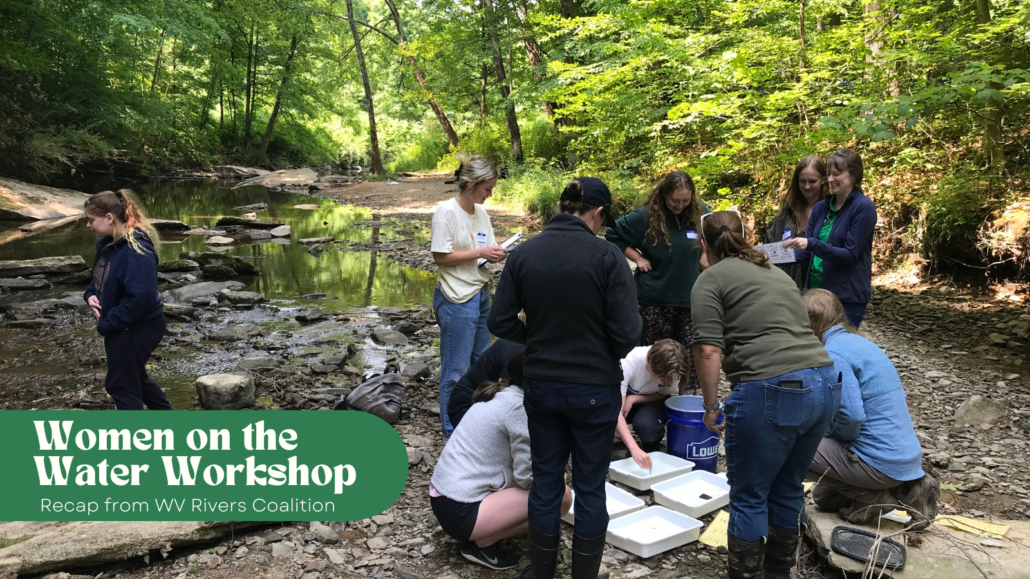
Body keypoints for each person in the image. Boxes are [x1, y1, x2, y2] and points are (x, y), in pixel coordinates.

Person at [489, 177, 641, 579]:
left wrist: (536, 341)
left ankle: (541, 573)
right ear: (598, 213)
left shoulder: (524, 254)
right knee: (590, 487)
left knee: (546, 484)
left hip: (542, 386)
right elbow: (628, 333)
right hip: (595, 387)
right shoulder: (607, 257)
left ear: (559, 205)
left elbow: (499, 319)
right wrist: (600, 350)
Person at [691, 211, 838, 579]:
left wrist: (711, 407)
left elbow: (708, 350)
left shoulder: (710, 279)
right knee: (788, 487)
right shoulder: (776, 273)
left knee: (749, 495)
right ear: (746, 235)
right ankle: (777, 573)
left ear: (704, 243)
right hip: (825, 382)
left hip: (773, 388)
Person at [802, 289, 939, 529]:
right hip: (903, 459)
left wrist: (829, 433)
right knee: (824, 498)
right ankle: (908, 490)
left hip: (879, 461)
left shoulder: (832, 354)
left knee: (791, 445)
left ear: (811, 322)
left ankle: (875, 497)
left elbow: (852, 418)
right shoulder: (858, 343)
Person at [430, 354, 573, 571]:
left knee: (552, 491)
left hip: (446, 497)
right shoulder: (520, 408)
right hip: (461, 509)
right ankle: (482, 543)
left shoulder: (504, 394)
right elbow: (528, 479)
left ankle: (483, 534)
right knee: (562, 497)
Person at [605, 171, 706, 394]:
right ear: (663, 195)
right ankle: (644, 397)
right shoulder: (644, 217)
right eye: (674, 200)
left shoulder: (699, 215)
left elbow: (719, 233)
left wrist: (707, 254)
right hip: (654, 299)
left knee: (690, 352)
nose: (679, 205)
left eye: (685, 201)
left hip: (690, 298)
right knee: (654, 353)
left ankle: (685, 400)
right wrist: (638, 258)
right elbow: (612, 234)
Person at [431, 153, 507, 437]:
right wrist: (481, 253)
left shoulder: (481, 213)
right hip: (455, 298)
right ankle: (451, 428)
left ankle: (473, 420)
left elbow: (486, 246)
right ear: (472, 183)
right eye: (487, 189)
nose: (490, 194)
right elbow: (440, 257)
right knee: (455, 369)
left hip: (480, 292)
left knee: (482, 362)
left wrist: (496, 253)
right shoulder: (446, 212)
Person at [83, 189, 172, 411]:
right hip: (122, 326)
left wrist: (107, 323)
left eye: (90, 220)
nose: (88, 225)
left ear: (109, 218)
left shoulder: (137, 251)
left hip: (138, 327)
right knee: (134, 378)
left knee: (121, 385)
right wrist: (91, 294)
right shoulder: (106, 244)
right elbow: (98, 277)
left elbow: (141, 298)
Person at [783, 149, 877, 327]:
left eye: (837, 174)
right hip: (816, 295)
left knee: (836, 351)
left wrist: (812, 243)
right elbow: (805, 254)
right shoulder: (821, 207)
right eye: (829, 174)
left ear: (854, 175)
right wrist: (767, 257)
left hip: (846, 298)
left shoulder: (863, 207)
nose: (830, 179)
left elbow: (849, 255)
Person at [617, 339, 689, 469]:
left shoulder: (673, 367)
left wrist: (634, 399)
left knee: (647, 424)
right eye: (663, 380)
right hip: (618, 400)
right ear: (648, 363)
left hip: (647, 400)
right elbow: (615, 412)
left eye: (672, 379)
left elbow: (661, 394)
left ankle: (652, 448)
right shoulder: (628, 361)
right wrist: (634, 448)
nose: (668, 383)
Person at [765, 156, 828, 289]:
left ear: (823, 180)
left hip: (822, 288)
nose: (807, 186)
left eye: (812, 181)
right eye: (802, 181)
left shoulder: (832, 211)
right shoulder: (785, 215)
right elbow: (769, 248)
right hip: (787, 289)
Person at [448, 338, 524, 428]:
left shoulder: (523, 344)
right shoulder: (518, 354)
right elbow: (506, 400)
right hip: (465, 407)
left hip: (481, 403)